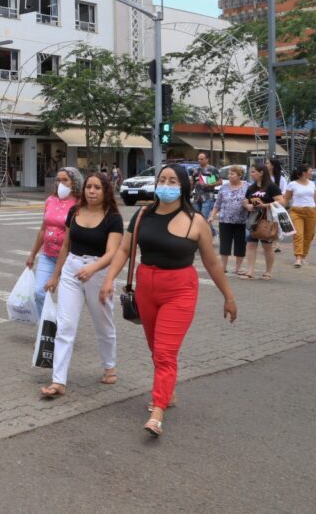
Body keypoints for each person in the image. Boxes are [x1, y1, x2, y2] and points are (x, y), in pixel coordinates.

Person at [100, 164, 237, 437]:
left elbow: (211, 262)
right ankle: (168, 392)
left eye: (172, 180)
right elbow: (125, 249)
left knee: (164, 352)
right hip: (146, 288)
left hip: (180, 290)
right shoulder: (142, 215)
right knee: (156, 349)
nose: (166, 184)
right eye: (162, 179)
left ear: (183, 186)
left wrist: (228, 296)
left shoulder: (196, 221)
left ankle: (158, 410)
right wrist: (108, 280)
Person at [39, 173, 122, 399]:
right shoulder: (74, 212)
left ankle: (109, 366)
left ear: (105, 192)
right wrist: (55, 276)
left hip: (98, 271)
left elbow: (113, 251)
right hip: (71, 270)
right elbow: (66, 246)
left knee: (103, 323)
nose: (91, 191)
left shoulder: (113, 218)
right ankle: (58, 381)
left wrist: (94, 270)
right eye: (88, 187)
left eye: (97, 188)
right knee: (65, 326)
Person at [26, 167, 83, 319]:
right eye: (58, 179)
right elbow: (43, 229)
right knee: (39, 292)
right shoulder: (50, 200)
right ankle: (45, 329)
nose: (60, 183)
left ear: (74, 183)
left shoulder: (79, 204)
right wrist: (32, 254)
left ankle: (60, 329)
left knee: (66, 299)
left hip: (69, 258)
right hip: (48, 255)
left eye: (65, 180)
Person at [243, 163, 285, 280]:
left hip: (267, 220)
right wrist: (248, 206)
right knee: (251, 244)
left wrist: (265, 205)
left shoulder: (271, 186)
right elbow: (246, 201)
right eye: (251, 172)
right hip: (252, 220)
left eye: (253, 172)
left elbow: (281, 202)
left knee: (267, 246)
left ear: (261, 173)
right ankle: (250, 271)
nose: (251, 174)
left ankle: (268, 271)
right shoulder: (251, 187)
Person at [285, 164, 316, 268]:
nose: (312, 173)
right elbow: (285, 199)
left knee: (309, 236)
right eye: (310, 171)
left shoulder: (312, 184)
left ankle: (303, 256)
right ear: (303, 173)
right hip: (296, 211)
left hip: (311, 211)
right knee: (298, 235)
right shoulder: (292, 184)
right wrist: (276, 206)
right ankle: (298, 258)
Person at [210, 166, 250, 277]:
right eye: (229, 174)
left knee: (240, 244)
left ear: (239, 175)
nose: (229, 176)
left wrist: (250, 205)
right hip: (225, 220)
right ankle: (223, 266)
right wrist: (212, 216)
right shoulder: (224, 187)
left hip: (241, 221)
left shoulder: (247, 186)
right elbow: (217, 204)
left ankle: (238, 267)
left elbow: (252, 200)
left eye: (232, 174)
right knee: (225, 244)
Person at [192, 152, 220, 236]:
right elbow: (193, 182)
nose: (199, 161)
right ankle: (212, 232)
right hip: (197, 197)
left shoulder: (212, 169)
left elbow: (220, 181)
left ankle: (206, 236)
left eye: (201, 159)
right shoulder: (196, 170)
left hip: (207, 197)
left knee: (204, 218)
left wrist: (209, 184)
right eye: (198, 159)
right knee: (197, 218)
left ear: (207, 159)